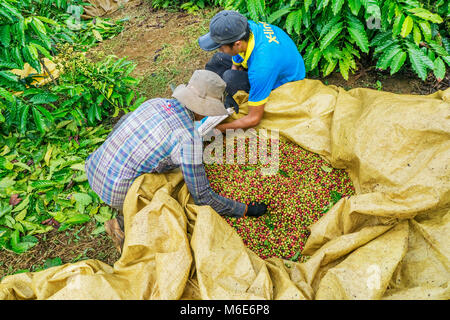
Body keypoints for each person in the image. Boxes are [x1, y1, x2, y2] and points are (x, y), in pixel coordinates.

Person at [85, 70, 268, 252]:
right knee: (169, 202)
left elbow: (122, 123)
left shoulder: (155, 102)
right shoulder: (188, 139)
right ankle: (122, 224)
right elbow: (203, 197)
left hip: (95, 167)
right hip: (115, 191)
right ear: (205, 110)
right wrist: (244, 210)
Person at [198, 10, 306, 132]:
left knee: (230, 78)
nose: (219, 50)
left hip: (285, 81)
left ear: (237, 44)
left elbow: (254, 119)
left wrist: (219, 129)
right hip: (272, 59)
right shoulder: (244, 28)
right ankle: (208, 100)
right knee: (218, 60)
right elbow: (236, 60)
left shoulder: (262, 69)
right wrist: (228, 90)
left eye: (221, 47)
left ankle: (216, 110)